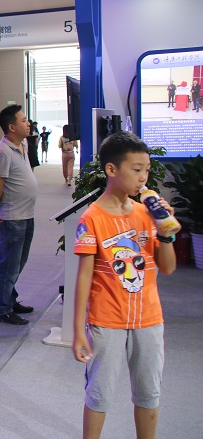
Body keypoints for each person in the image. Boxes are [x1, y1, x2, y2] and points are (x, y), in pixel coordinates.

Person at [72, 131, 177, 439]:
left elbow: (168, 267)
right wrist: (78, 329)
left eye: (147, 170)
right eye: (136, 169)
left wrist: (166, 233)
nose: (143, 177)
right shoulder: (92, 218)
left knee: (148, 394)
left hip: (149, 319)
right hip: (107, 320)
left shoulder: (147, 214)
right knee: (99, 393)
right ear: (112, 169)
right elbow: (84, 276)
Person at [0, 105, 37, 326]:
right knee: (9, 264)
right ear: (12, 127)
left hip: (26, 214)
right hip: (11, 217)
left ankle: (10, 298)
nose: (28, 123)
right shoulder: (3, 151)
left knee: (18, 262)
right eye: (23, 120)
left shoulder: (23, 144)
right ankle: (3, 308)